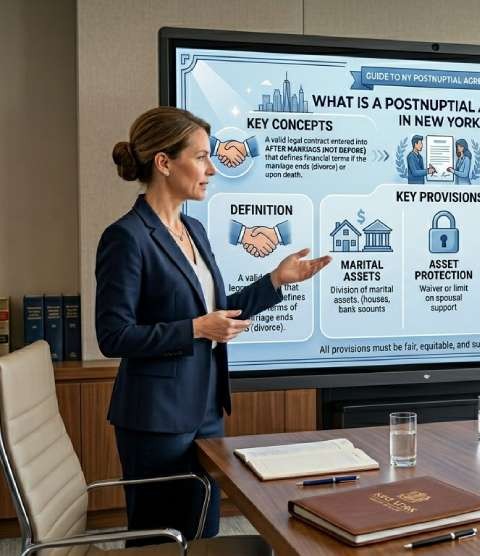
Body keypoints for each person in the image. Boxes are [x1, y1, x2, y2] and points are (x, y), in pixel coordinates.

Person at [97, 107, 332, 544]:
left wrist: (276, 280)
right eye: (201, 157)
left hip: (206, 409)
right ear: (164, 163)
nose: (211, 168)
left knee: (204, 534)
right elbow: (113, 335)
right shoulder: (126, 237)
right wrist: (194, 329)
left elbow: (216, 313)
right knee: (160, 542)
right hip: (156, 420)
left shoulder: (195, 229)